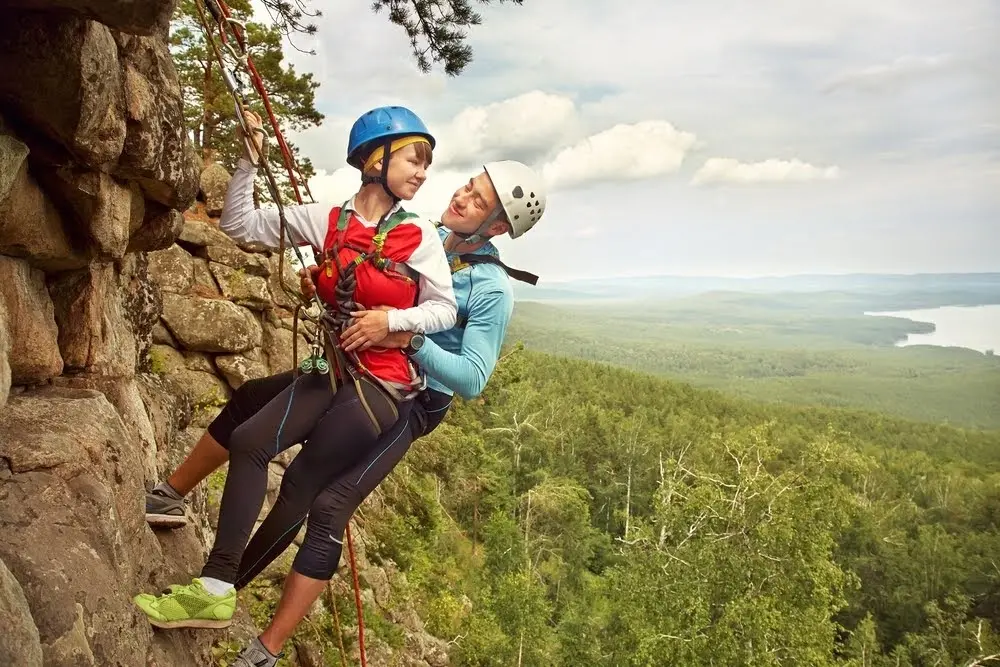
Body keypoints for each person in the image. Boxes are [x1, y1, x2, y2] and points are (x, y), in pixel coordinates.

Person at [139, 158, 548, 666]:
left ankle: (258, 639)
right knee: (250, 401)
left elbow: (472, 378)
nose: (462, 197)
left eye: (479, 201)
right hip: (357, 364)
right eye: (468, 185)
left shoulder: (490, 290)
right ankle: (172, 501)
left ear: (500, 227)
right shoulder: (425, 233)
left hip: (414, 403)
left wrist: (408, 337)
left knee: (325, 503)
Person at [133, 103, 459, 636]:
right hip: (332, 368)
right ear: (374, 159)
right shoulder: (326, 219)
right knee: (250, 439)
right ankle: (216, 590)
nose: (423, 172)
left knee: (298, 491)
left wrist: (389, 320)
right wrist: (248, 162)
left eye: (426, 163)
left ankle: (222, 591)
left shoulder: (418, 237)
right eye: (413, 159)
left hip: (378, 389)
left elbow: (444, 309)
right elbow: (240, 225)